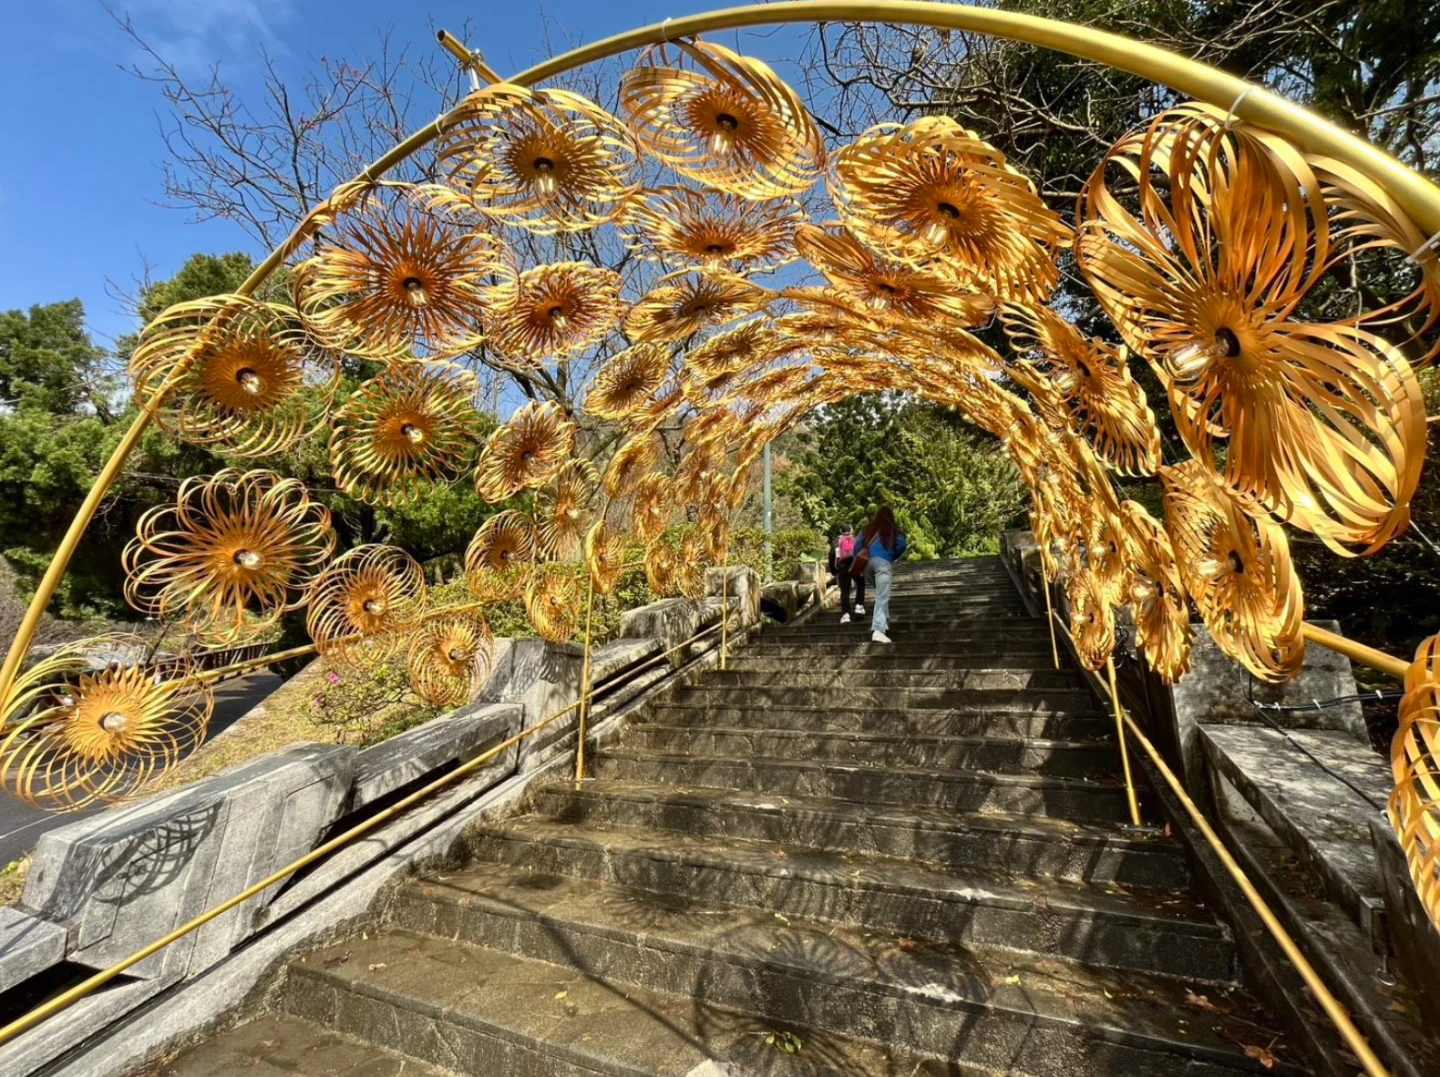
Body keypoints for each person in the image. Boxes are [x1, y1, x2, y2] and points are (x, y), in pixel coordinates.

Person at [854, 506, 907, 643]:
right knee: (883, 596)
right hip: (882, 563)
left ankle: (884, 622)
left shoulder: (866, 529)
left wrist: (860, 562)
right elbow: (902, 545)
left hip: (867, 566)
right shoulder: (893, 531)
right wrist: (891, 556)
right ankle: (878, 630)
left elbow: (856, 548)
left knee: (880, 594)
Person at [829, 524, 866, 623]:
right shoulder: (856, 539)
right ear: (851, 530)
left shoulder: (836, 541)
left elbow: (832, 555)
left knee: (845, 591)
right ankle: (859, 606)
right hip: (855, 566)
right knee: (861, 584)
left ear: (840, 530)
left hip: (842, 568)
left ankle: (846, 615)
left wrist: (833, 570)